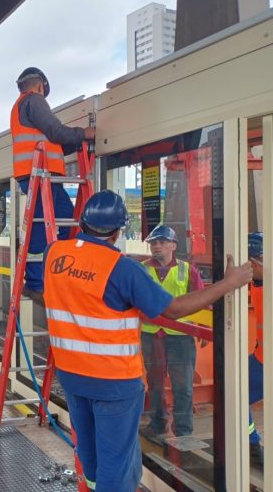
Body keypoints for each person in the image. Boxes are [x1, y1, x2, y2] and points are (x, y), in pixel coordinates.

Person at [41, 190, 252, 492]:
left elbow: (69, 287)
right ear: (118, 231)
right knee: (117, 460)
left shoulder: (55, 253)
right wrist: (229, 284)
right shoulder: (123, 269)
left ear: (83, 223)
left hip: (73, 378)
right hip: (114, 382)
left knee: (91, 458)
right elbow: (174, 309)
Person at [10, 67, 95, 304]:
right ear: (40, 87)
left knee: (67, 216)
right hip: (39, 175)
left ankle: (63, 270)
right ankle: (36, 283)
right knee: (40, 227)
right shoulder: (33, 101)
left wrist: (76, 141)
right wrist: (85, 132)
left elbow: (54, 142)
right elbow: (56, 131)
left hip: (41, 176)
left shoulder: (22, 108)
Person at [140, 224, 203, 439]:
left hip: (180, 337)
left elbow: (200, 300)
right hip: (151, 335)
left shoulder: (187, 270)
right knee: (155, 383)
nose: (156, 246)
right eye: (153, 243)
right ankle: (158, 424)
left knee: (183, 386)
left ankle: (184, 431)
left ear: (173, 246)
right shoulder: (142, 269)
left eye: (162, 242)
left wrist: (202, 327)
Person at [247, 232, 265, 468]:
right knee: (234, 392)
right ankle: (252, 444)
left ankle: (252, 445)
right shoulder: (258, 281)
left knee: (235, 394)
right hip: (260, 358)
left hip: (264, 364)